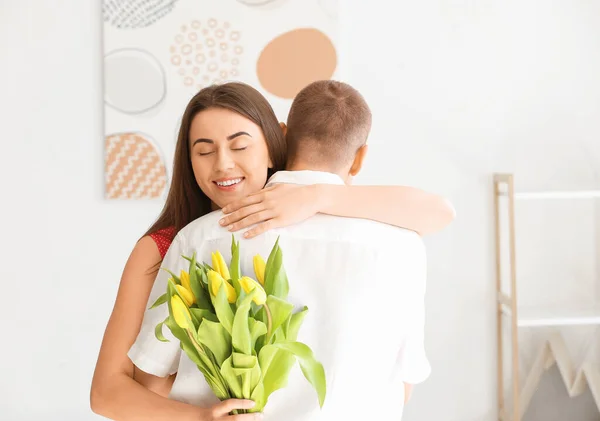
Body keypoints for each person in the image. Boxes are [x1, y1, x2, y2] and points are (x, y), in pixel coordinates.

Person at [90, 81, 452, 421]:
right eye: (204, 150)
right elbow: (133, 387)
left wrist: (316, 196)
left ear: (274, 142)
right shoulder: (176, 244)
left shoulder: (200, 238)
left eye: (240, 145)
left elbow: (440, 211)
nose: (223, 164)